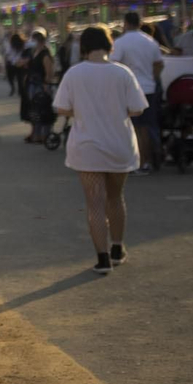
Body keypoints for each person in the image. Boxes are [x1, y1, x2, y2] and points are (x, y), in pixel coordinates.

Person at [53, 27, 147, 274]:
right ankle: (117, 247)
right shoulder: (122, 73)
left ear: (83, 46)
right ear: (109, 45)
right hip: (119, 144)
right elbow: (137, 109)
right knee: (115, 198)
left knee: (94, 203)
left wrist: (82, 110)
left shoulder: (74, 74)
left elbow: (61, 108)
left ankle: (102, 259)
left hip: (87, 147)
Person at [110, 11, 164, 173]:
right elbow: (159, 64)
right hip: (148, 88)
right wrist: (152, 78)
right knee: (146, 127)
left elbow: (114, 65)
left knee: (131, 127)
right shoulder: (151, 41)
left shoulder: (121, 42)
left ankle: (136, 160)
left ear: (125, 23)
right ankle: (146, 161)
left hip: (129, 90)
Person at [24, 29, 57, 143]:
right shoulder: (33, 53)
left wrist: (46, 84)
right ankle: (36, 133)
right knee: (34, 110)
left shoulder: (45, 54)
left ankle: (44, 134)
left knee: (43, 109)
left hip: (41, 85)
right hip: (32, 84)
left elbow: (49, 72)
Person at [5, 32, 25, 98]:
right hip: (19, 64)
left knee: (10, 78)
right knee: (20, 79)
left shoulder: (10, 45)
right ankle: (20, 91)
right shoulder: (22, 45)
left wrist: (6, 62)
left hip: (11, 64)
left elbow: (7, 55)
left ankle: (13, 88)